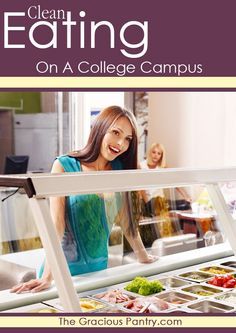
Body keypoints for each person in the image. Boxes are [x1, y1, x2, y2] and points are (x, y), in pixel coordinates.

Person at [11, 106, 157, 294]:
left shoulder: (121, 169)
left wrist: (143, 257)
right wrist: (48, 276)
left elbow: (127, 220)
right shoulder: (64, 165)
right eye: (115, 132)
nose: (120, 143)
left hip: (99, 273)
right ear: (100, 129)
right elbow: (56, 225)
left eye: (128, 139)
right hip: (63, 273)